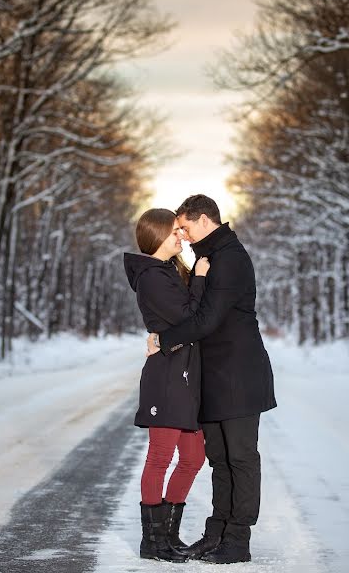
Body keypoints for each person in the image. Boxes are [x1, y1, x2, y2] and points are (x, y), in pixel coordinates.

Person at [146, 194, 277, 565]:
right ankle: (216, 532)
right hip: (214, 376)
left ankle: (238, 540)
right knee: (219, 459)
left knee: (241, 458)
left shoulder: (230, 258)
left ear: (204, 219)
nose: (182, 236)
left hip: (239, 374)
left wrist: (162, 341)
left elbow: (206, 321)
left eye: (184, 227)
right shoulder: (209, 258)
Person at [123, 208, 211, 563]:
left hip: (185, 371)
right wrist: (201, 277)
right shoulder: (151, 276)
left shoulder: (171, 270)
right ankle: (152, 541)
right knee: (161, 456)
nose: (181, 236)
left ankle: (170, 535)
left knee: (193, 457)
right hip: (166, 373)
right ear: (157, 235)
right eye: (175, 231)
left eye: (180, 230)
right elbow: (190, 316)